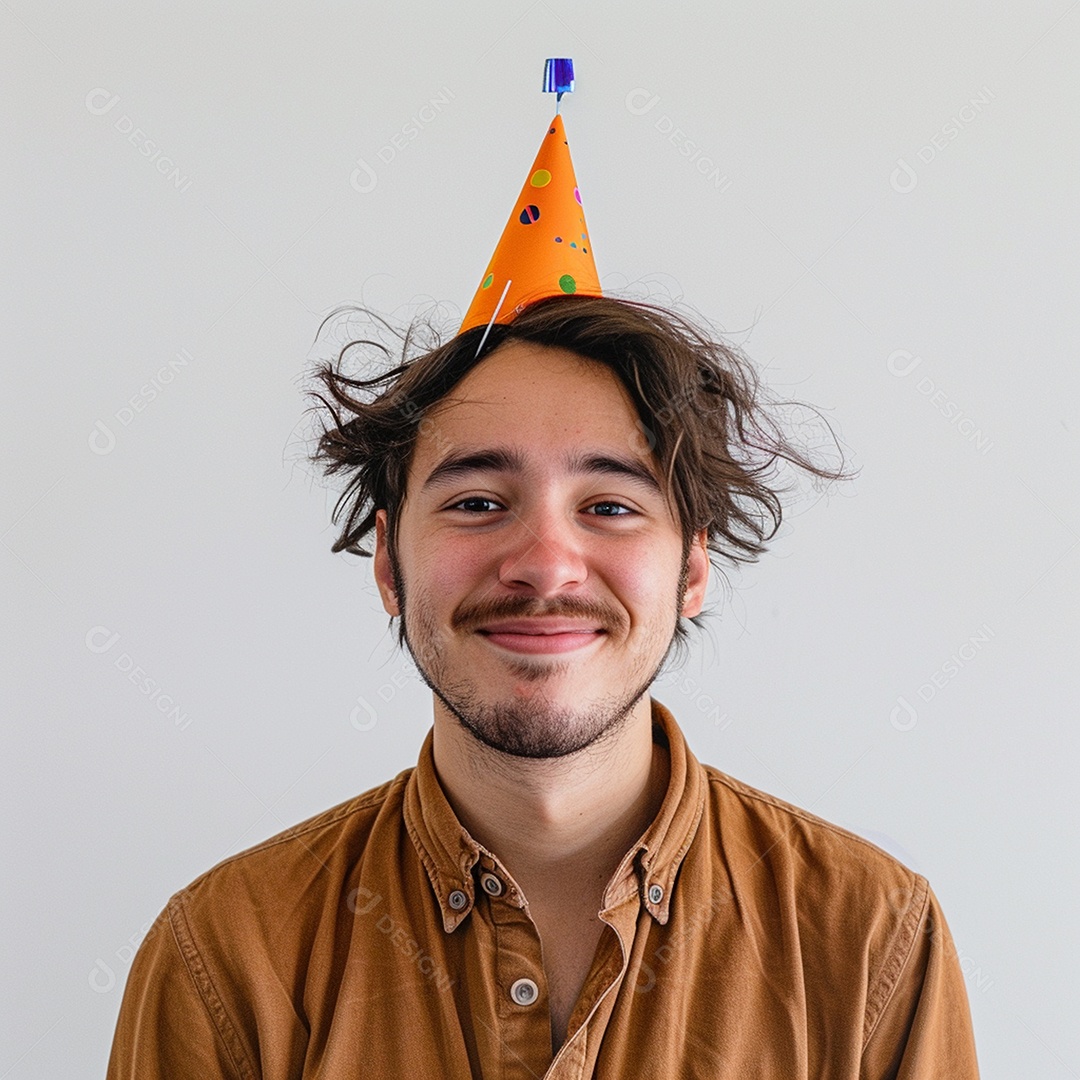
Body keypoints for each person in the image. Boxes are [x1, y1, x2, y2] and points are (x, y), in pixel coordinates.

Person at [106, 62, 980, 1079]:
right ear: (389, 562)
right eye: (479, 503)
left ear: (693, 566)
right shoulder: (228, 956)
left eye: (608, 506)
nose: (545, 563)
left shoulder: (871, 942)